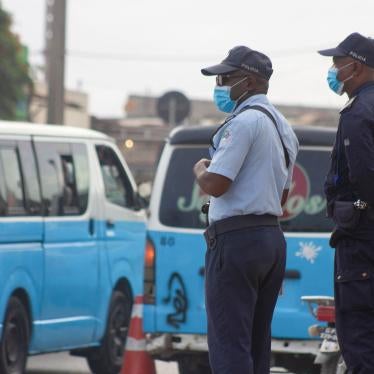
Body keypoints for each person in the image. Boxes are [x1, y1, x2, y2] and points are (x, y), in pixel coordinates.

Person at [193, 46, 299, 374]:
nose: (220, 86)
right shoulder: (284, 128)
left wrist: (199, 170)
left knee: (229, 345)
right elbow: (282, 199)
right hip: (270, 238)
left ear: (250, 82)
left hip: (236, 241)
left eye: (226, 78)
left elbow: (217, 184)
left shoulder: (244, 123)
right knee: (255, 343)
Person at [319, 32, 374, 374]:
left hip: (361, 243)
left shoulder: (358, 113)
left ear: (356, 66)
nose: (334, 70)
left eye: (338, 63)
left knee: (359, 341)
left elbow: (365, 179)